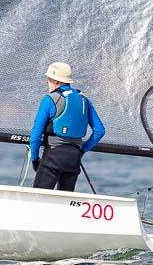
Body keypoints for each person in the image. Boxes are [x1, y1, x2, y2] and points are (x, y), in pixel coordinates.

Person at [29, 62, 105, 192]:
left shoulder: (49, 99)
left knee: (38, 199)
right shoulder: (84, 99)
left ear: (55, 80)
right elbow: (99, 131)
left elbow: (36, 134)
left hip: (53, 156)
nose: (47, 83)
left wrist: (35, 159)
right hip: (73, 159)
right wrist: (81, 150)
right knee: (65, 203)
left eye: (48, 79)